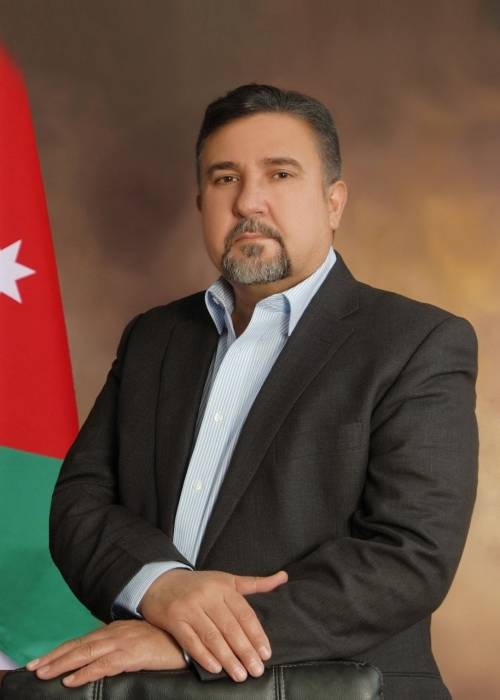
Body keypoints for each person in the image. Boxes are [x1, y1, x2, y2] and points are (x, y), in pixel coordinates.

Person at [27, 84, 478, 699]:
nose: (247, 201)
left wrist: (194, 638)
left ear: (334, 202)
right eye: (224, 178)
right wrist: (161, 587)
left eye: (280, 174)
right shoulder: (153, 339)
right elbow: (81, 503)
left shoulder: (417, 342)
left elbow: (410, 555)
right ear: (201, 203)